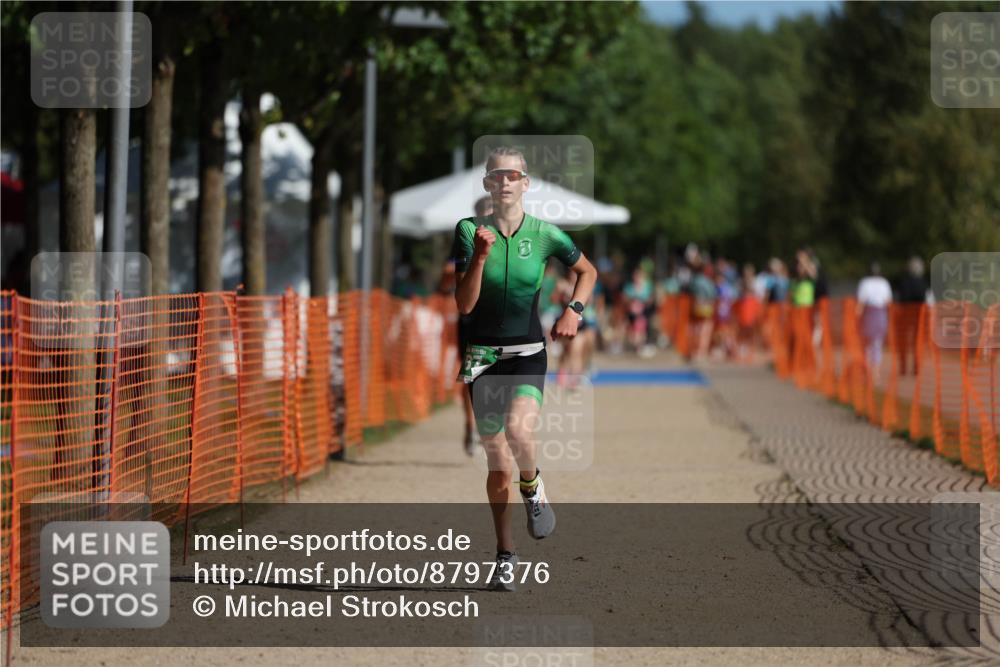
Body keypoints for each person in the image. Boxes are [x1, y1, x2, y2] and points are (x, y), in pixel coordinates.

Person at [452, 147, 597, 592]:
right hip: (482, 357)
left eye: (513, 174)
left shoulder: (546, 234)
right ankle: (505, 554)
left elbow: (587, 271)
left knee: (519, 432)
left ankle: (533, 489)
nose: (505, 181)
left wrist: (574, 311)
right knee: (496, 463)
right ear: (487, 185)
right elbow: (464, 304)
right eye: (497, 175)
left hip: (528, 353)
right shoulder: (468, 231)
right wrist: (478, 257)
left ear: (525, 183)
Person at [856, 262, 893, 384]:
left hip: (870, 314)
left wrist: (856, 318)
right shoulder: (884, 283)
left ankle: (869, 372)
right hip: (880, 314)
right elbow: (888, 302)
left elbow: (860, 303)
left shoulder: (865, 282)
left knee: (866, 344)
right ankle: (875, 373)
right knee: (877, 344)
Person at [895, 256, 927, 375]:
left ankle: (903, 367)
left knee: (903, 343)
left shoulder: (904, 282)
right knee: (917, 343)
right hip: (918, 316)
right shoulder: (923, 283)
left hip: (904, 315)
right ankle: (916, 367)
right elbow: (924, 300)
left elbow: (900, 298)